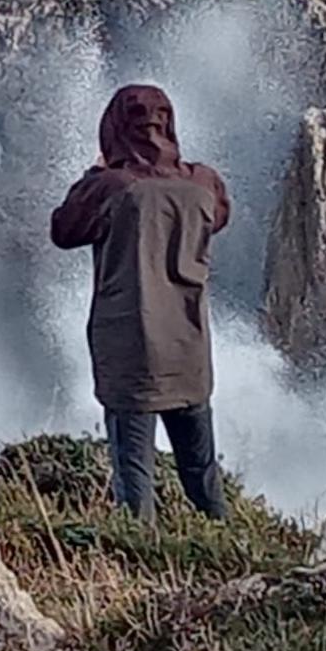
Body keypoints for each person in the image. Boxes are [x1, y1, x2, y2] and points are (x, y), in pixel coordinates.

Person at [50, 85, 231, 521]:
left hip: (131, 342)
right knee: (201, 471)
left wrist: (96, 174)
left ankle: (143, 561)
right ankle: (229, 547)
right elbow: (219, 218)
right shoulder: (203, 183)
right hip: (188, 343)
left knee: (135, 477)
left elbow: (64, 230)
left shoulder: (112, 186)